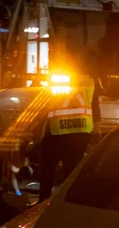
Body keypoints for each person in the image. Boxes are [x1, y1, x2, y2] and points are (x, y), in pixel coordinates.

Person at [36, 51, 102, 203]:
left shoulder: (55, 80)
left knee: (48, 167)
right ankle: (67, 201)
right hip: (80, 132)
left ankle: (43, 201)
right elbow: (95, 104)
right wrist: (97, 127)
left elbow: (42, 102)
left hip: (57, 130)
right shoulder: (89, 81)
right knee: (71, 169)